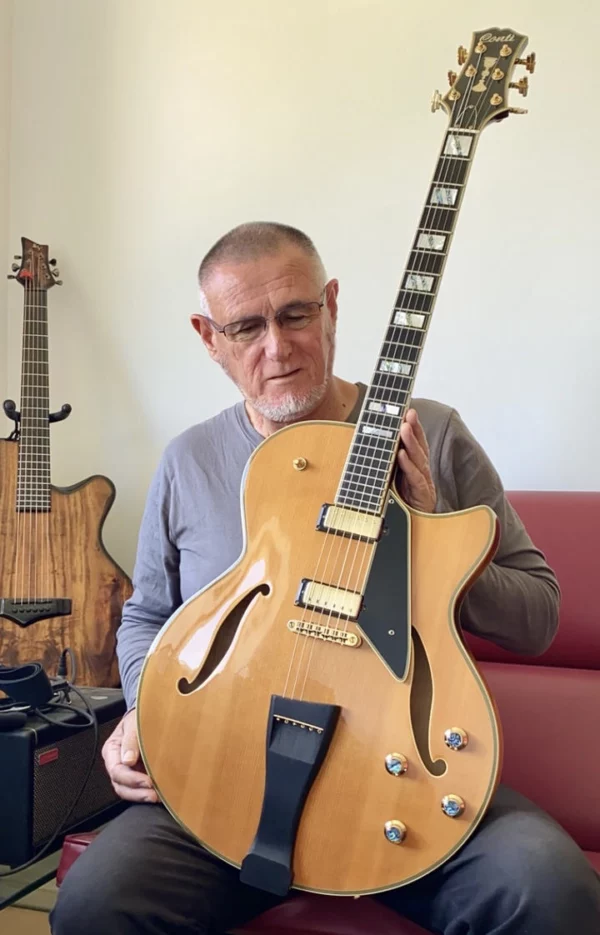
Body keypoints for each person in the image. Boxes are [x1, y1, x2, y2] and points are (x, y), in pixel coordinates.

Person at [50, 222, 600, 935]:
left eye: (296, 313)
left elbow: (540, 616)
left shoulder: (432, 432)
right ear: (207, 336)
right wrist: (138, 711)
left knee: (552, 889)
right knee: (96, 905)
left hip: (407, 774)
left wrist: (429, 535)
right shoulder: (189, 461)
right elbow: (146, 617)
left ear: (332, 303)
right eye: (245, 326)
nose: (276, 348)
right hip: (221, 772)